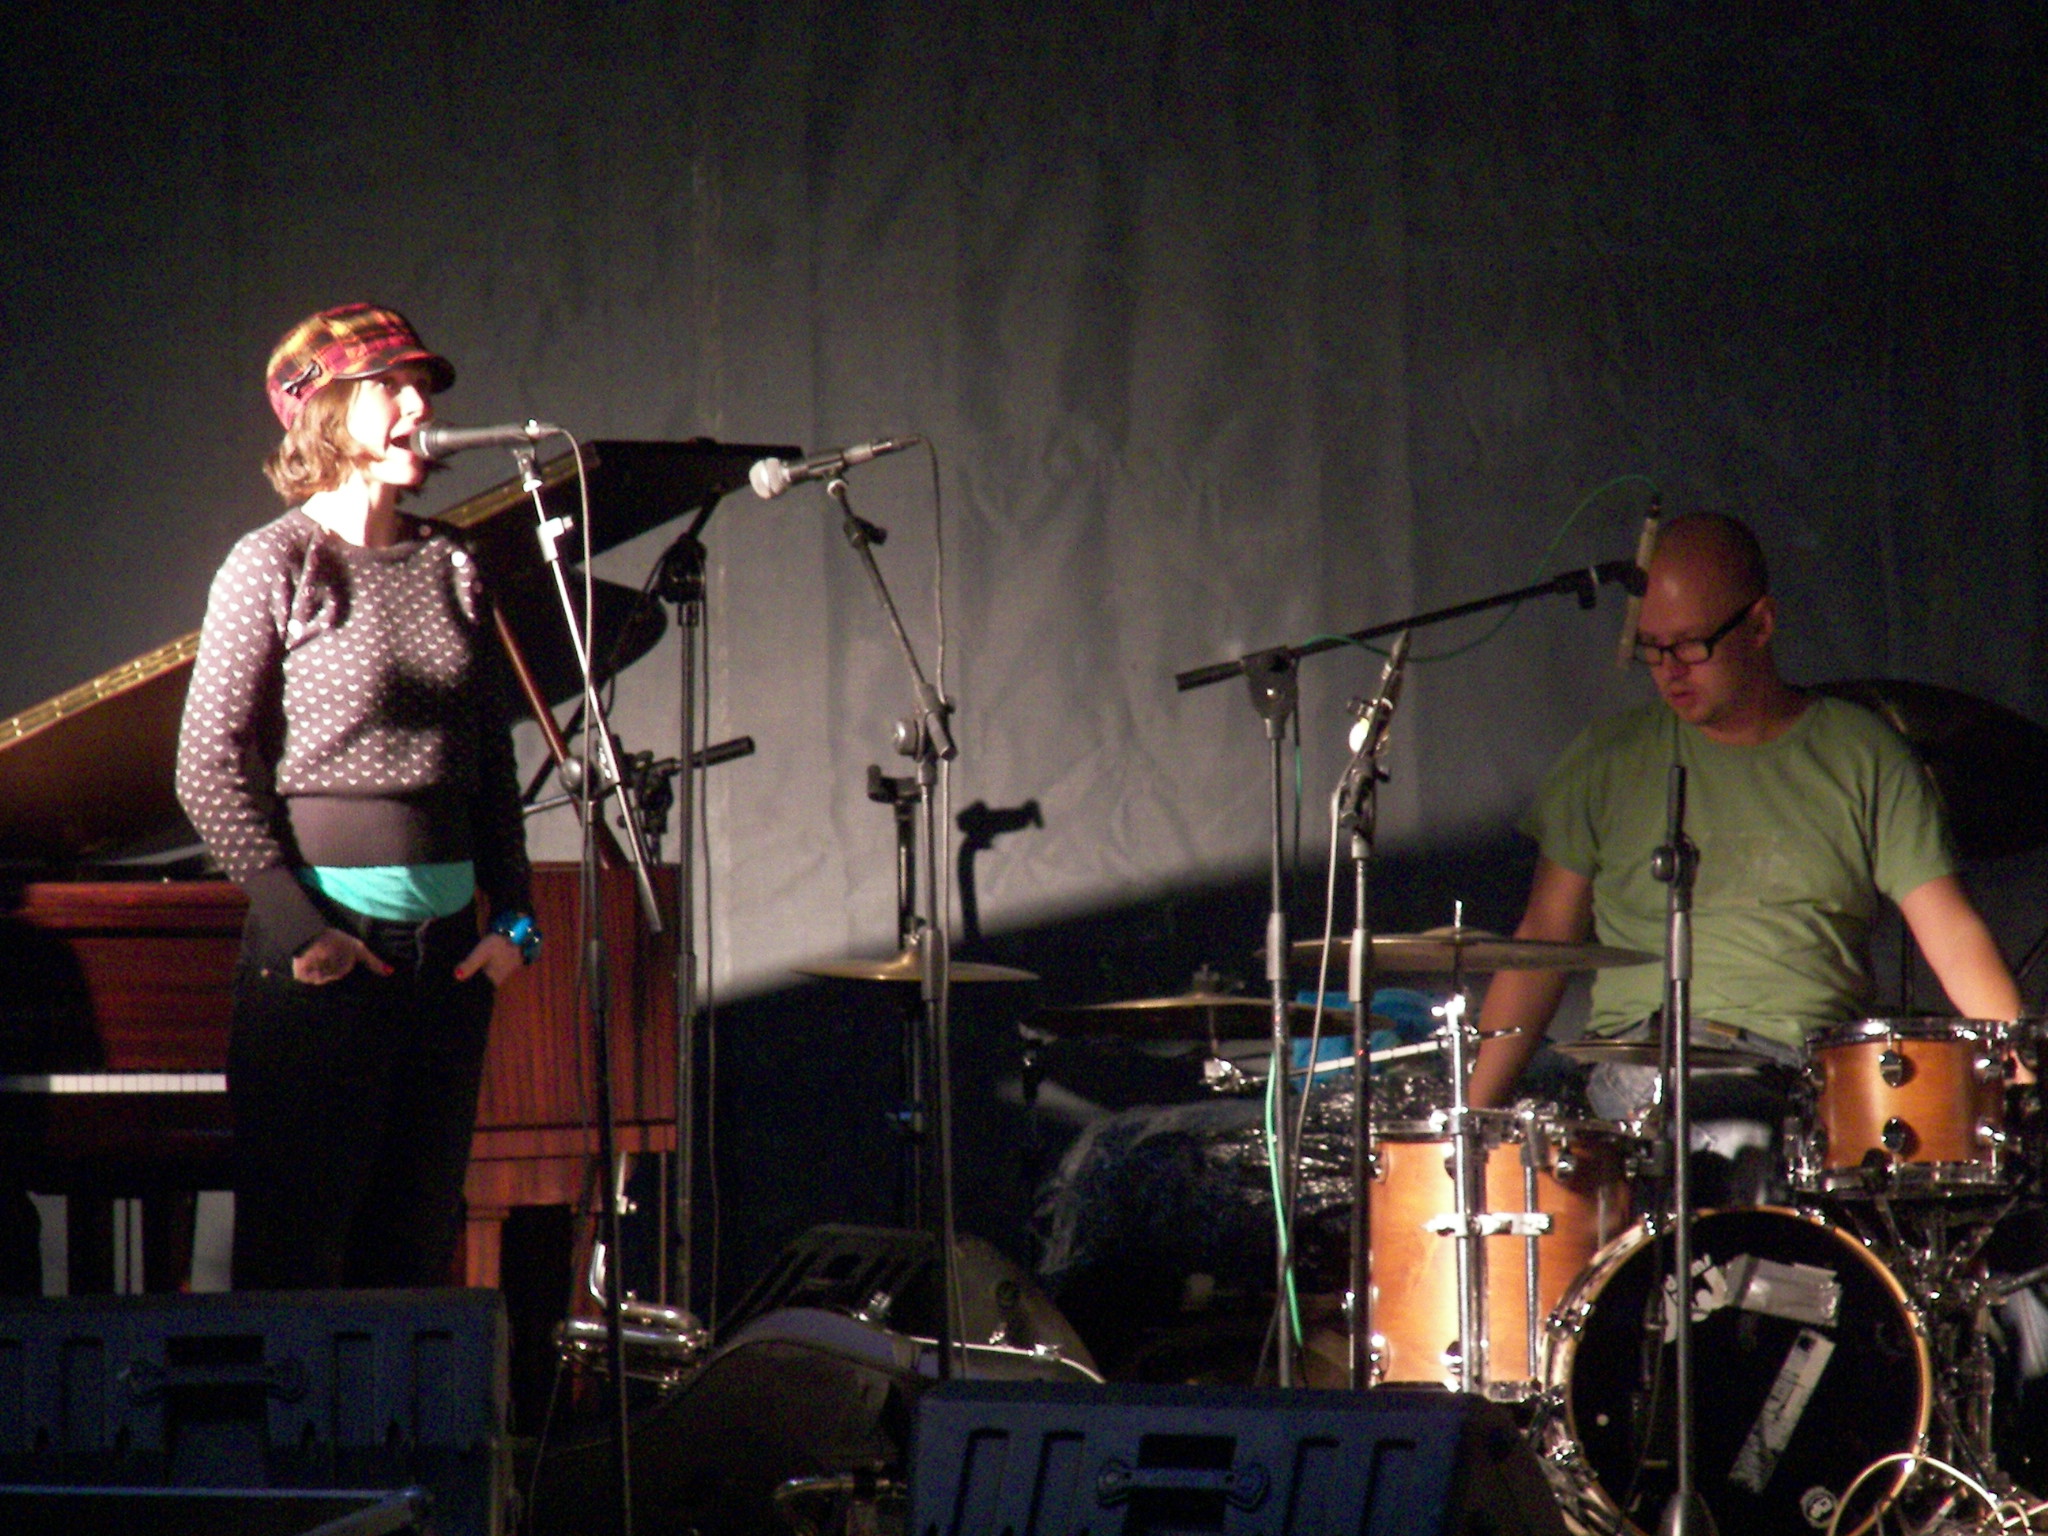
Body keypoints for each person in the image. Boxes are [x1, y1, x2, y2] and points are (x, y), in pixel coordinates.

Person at [1467, 513, 2022, 1178]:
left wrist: (2024, 1072)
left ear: (1760, 625)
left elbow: (1953, 936)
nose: (1669, 671)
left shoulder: (1862, 755)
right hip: (1634, 1067)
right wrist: (1471, 1124)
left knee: (1747, 1131)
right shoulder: (1607, 759)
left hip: (1797, 1076)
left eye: (1690, 645)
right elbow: (1541, 943)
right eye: (1651, 649)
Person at [175, 303, 538, 1290]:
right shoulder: (275, 563)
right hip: (327, 961)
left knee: (412, 1261)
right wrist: (306, 932)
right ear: (326, 411)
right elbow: (205, 765)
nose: (421, 408)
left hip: (447, 966)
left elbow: (491, 763)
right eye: (395, 387)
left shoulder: (453, 563)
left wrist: (515, 921)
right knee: (296, 1263)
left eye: (424, 389)